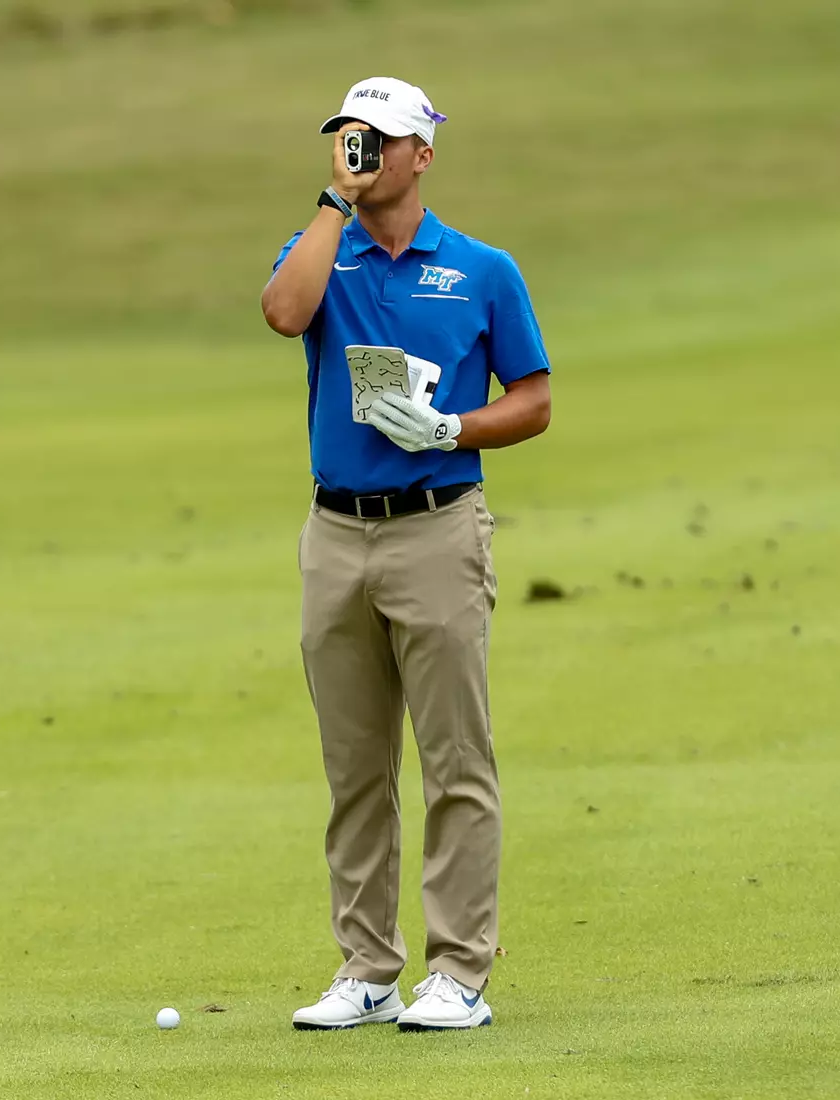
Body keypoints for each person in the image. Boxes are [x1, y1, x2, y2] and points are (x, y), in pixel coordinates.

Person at [260, 76, 553, 1032]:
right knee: (354, 766)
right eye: (352, 137)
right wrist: (331, 209)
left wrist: (454, 427)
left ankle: (460, 971)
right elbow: (283, 314)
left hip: (437, 523)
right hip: (336, 532)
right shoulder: (322, 245)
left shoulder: (480, 268)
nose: (365, 151)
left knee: (454, 758)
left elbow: (535, 400)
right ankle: (368, 967)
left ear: (422, 153)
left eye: (381, 140)